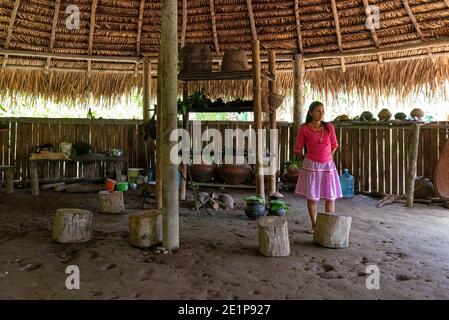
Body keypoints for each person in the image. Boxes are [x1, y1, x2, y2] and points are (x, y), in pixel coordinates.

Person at [294, 101, 342, 234]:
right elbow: (297, 149)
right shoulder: (304, 128)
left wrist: (329, 157)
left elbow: (334, 145)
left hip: (328, 166)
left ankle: (328, 225)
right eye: (318, 111)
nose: (321, 113)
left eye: (322, 111)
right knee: (312, 197)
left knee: (330, 196)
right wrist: (307, 159)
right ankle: (315, 225)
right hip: (311, 166)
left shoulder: (329, 127)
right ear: (310, 113)